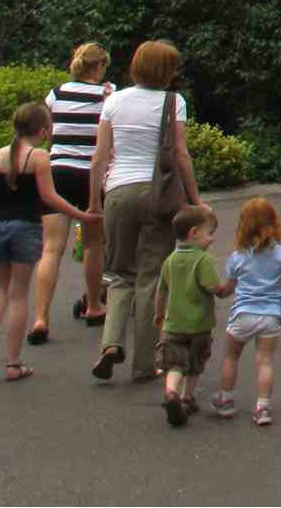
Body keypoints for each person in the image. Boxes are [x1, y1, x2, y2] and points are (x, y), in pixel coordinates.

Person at [92, 39, 202, 384]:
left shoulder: (114, 101)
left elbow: (100, 156)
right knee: (151, 275)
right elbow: (181, 155)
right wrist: (195, 199)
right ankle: (144, 361)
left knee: (119, 271)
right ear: (167, 71)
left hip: (119, 191)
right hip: (158, 193)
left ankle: (110, 344)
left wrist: (95, 201)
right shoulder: (173, 102)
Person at [0, 101, 98, 381]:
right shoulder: (38, 157)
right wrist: (82, 216)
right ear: (43, 130)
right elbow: (50, 198)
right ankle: (13, 363)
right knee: (18, 295)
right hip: (25, 228)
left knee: (1, 290)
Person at [32, 42, 114, 340]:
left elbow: (50, 133)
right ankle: (93, 306)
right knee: (94, 244)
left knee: (51, 248)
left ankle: (41, 318)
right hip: (91, 175)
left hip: (58, 173)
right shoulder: (108, 95)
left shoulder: (56, 94)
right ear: (99, 66)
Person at [216, 197, 281, 427]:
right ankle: (262, 406)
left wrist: (218, 292)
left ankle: (225, 399)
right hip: (271, 316)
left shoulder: (237, 257)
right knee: (265, 361)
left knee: (231, 356)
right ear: (274, 223)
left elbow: (228, 288)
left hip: (242, 314)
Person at [154, 204, 229, 425]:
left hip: (173, 325)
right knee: (195, 363)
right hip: (199, 325)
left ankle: (171, 392)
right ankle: (187, 397)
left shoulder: (169, 260)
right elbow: (215, 289)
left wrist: (159, 313)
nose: (212, 239)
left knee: (175, 363)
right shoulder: (203, 260)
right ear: (194, 233)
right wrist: (231, 285)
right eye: (209, 234)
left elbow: (161, 290)